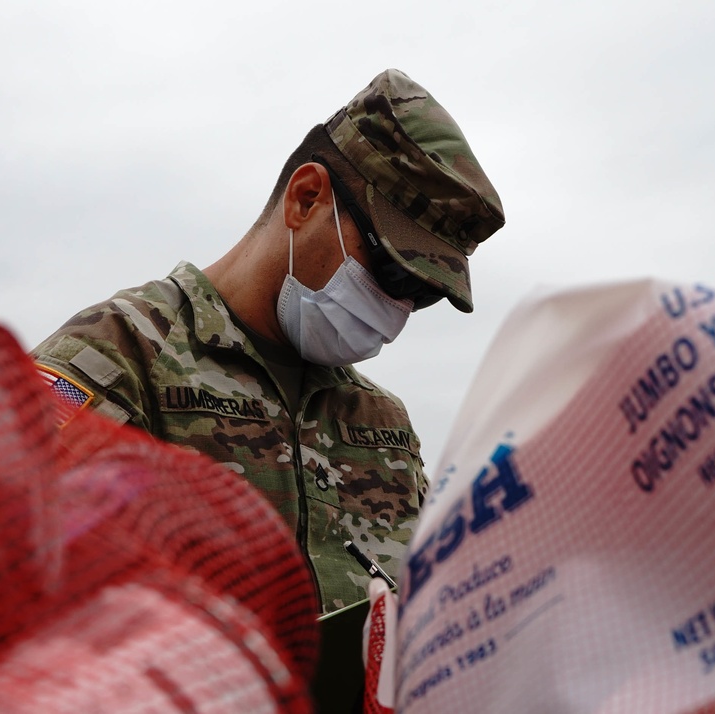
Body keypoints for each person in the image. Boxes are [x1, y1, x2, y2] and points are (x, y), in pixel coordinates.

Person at [32, 68, 505, 615]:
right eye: (394, 275)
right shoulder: (118, 358)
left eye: (420, 297)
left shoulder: (383, 425)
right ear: (305, 200)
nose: (396, 312)